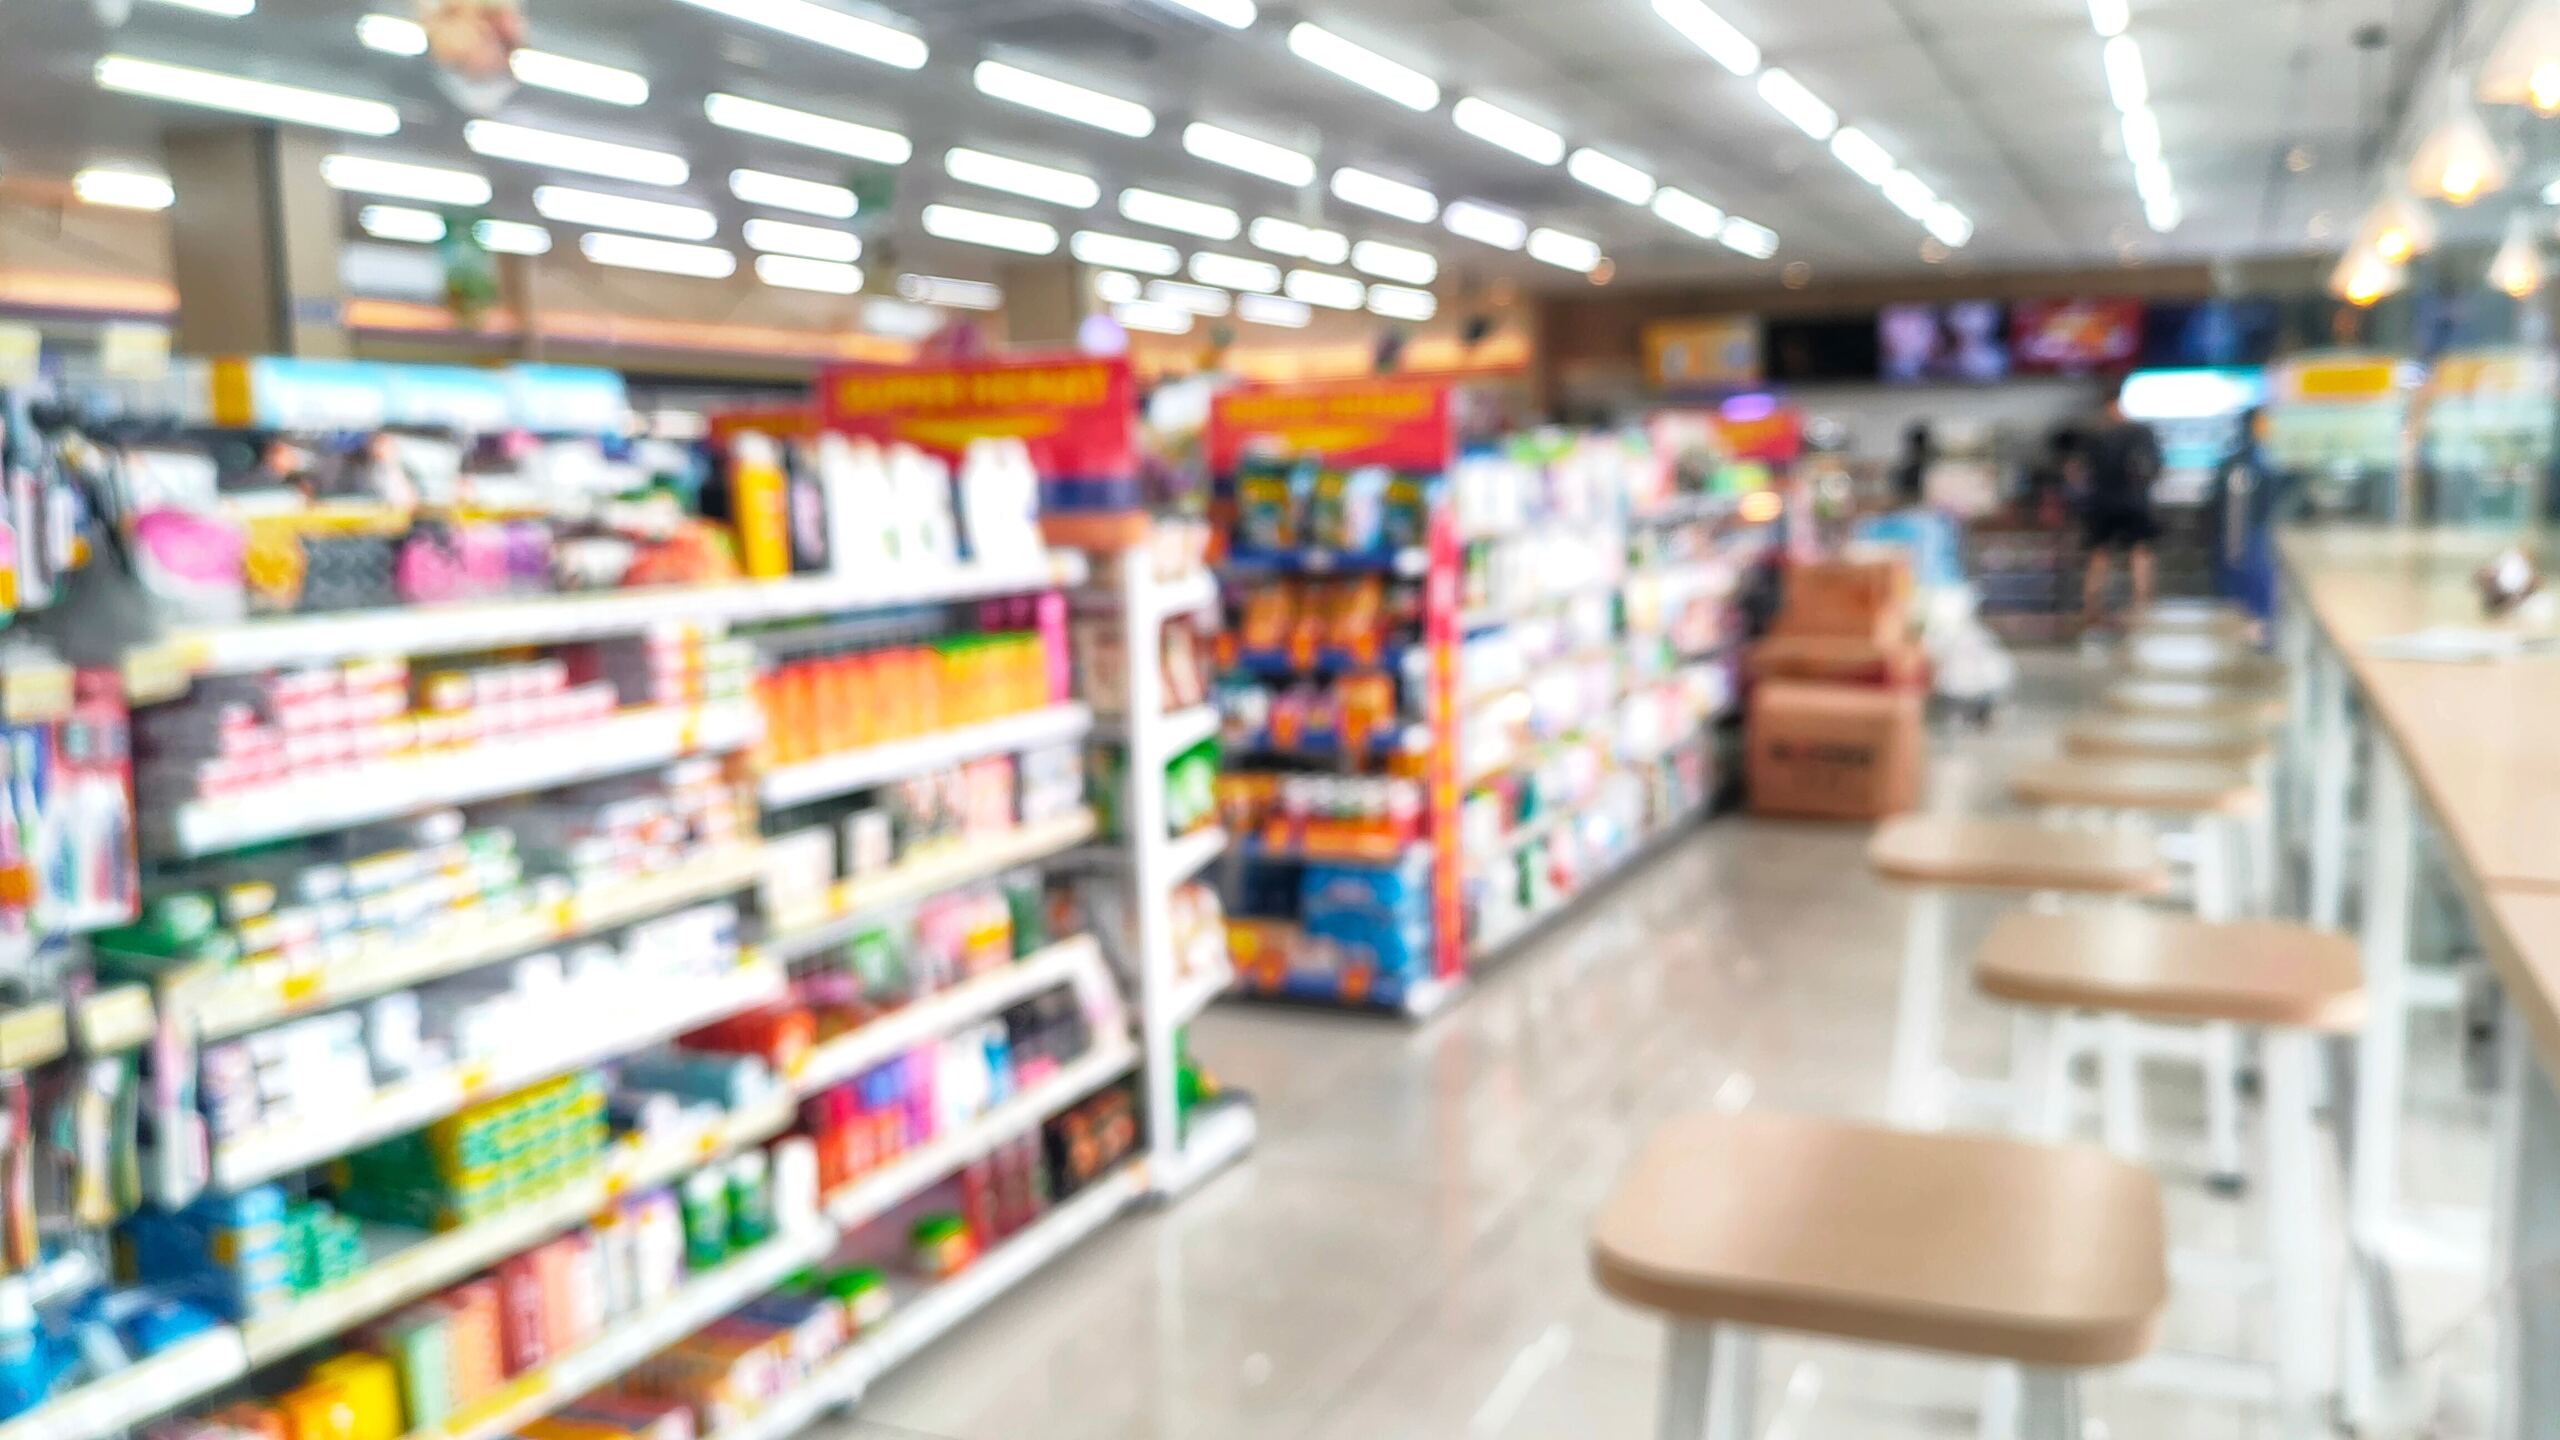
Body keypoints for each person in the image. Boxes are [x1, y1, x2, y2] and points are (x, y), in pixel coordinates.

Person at [2078, 376, 2165, 632]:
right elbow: (2155, 468)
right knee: (2138, 554)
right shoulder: (2140, 433)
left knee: (2101, 555)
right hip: (2133, 503)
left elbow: (2082, 474)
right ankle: (2141, 608)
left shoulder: (2096, 436)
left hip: (2103, 504)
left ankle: (2092, 612)